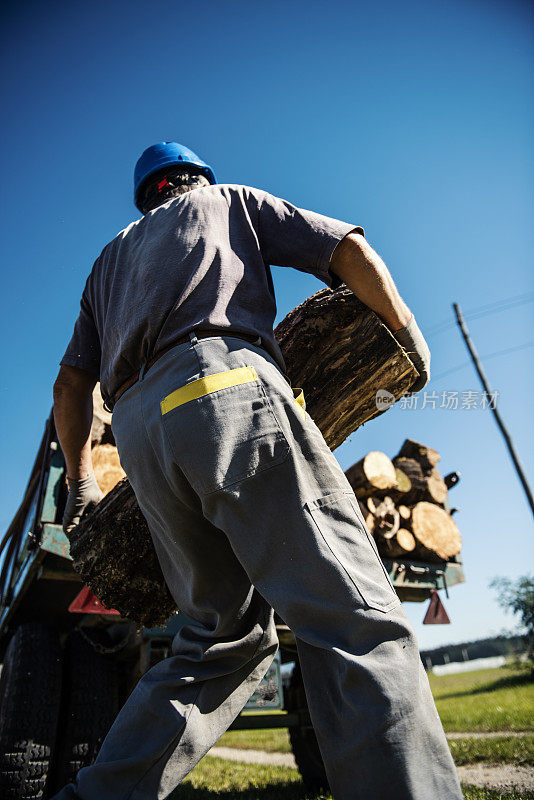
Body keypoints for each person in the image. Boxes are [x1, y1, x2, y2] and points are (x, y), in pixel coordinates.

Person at [51, 141, 462, 800]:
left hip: (142, 440)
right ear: (194, 178)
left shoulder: (109, 262)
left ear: (148, 193)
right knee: (354, 617)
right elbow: (345, 248)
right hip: (222, 388)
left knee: (218, 638)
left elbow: (70, 388)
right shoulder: (227, 200)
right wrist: (405, 331)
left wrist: (84, 482)